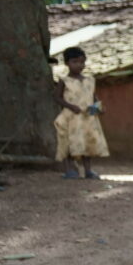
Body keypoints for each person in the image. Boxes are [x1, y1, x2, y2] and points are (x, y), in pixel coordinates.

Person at [52, 46, 108, 179]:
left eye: (82, 62)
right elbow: (56, 97)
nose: (79, 65)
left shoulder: (89, 81)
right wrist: (70, 106)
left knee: (86, 143)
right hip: (70, 118)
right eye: (75, 62)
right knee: (68, 143)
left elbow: (93, 98)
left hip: (87, 118)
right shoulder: (64, 81)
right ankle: (69, 170)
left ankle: (88, 170)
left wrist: (99, 107)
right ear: (67, 63)